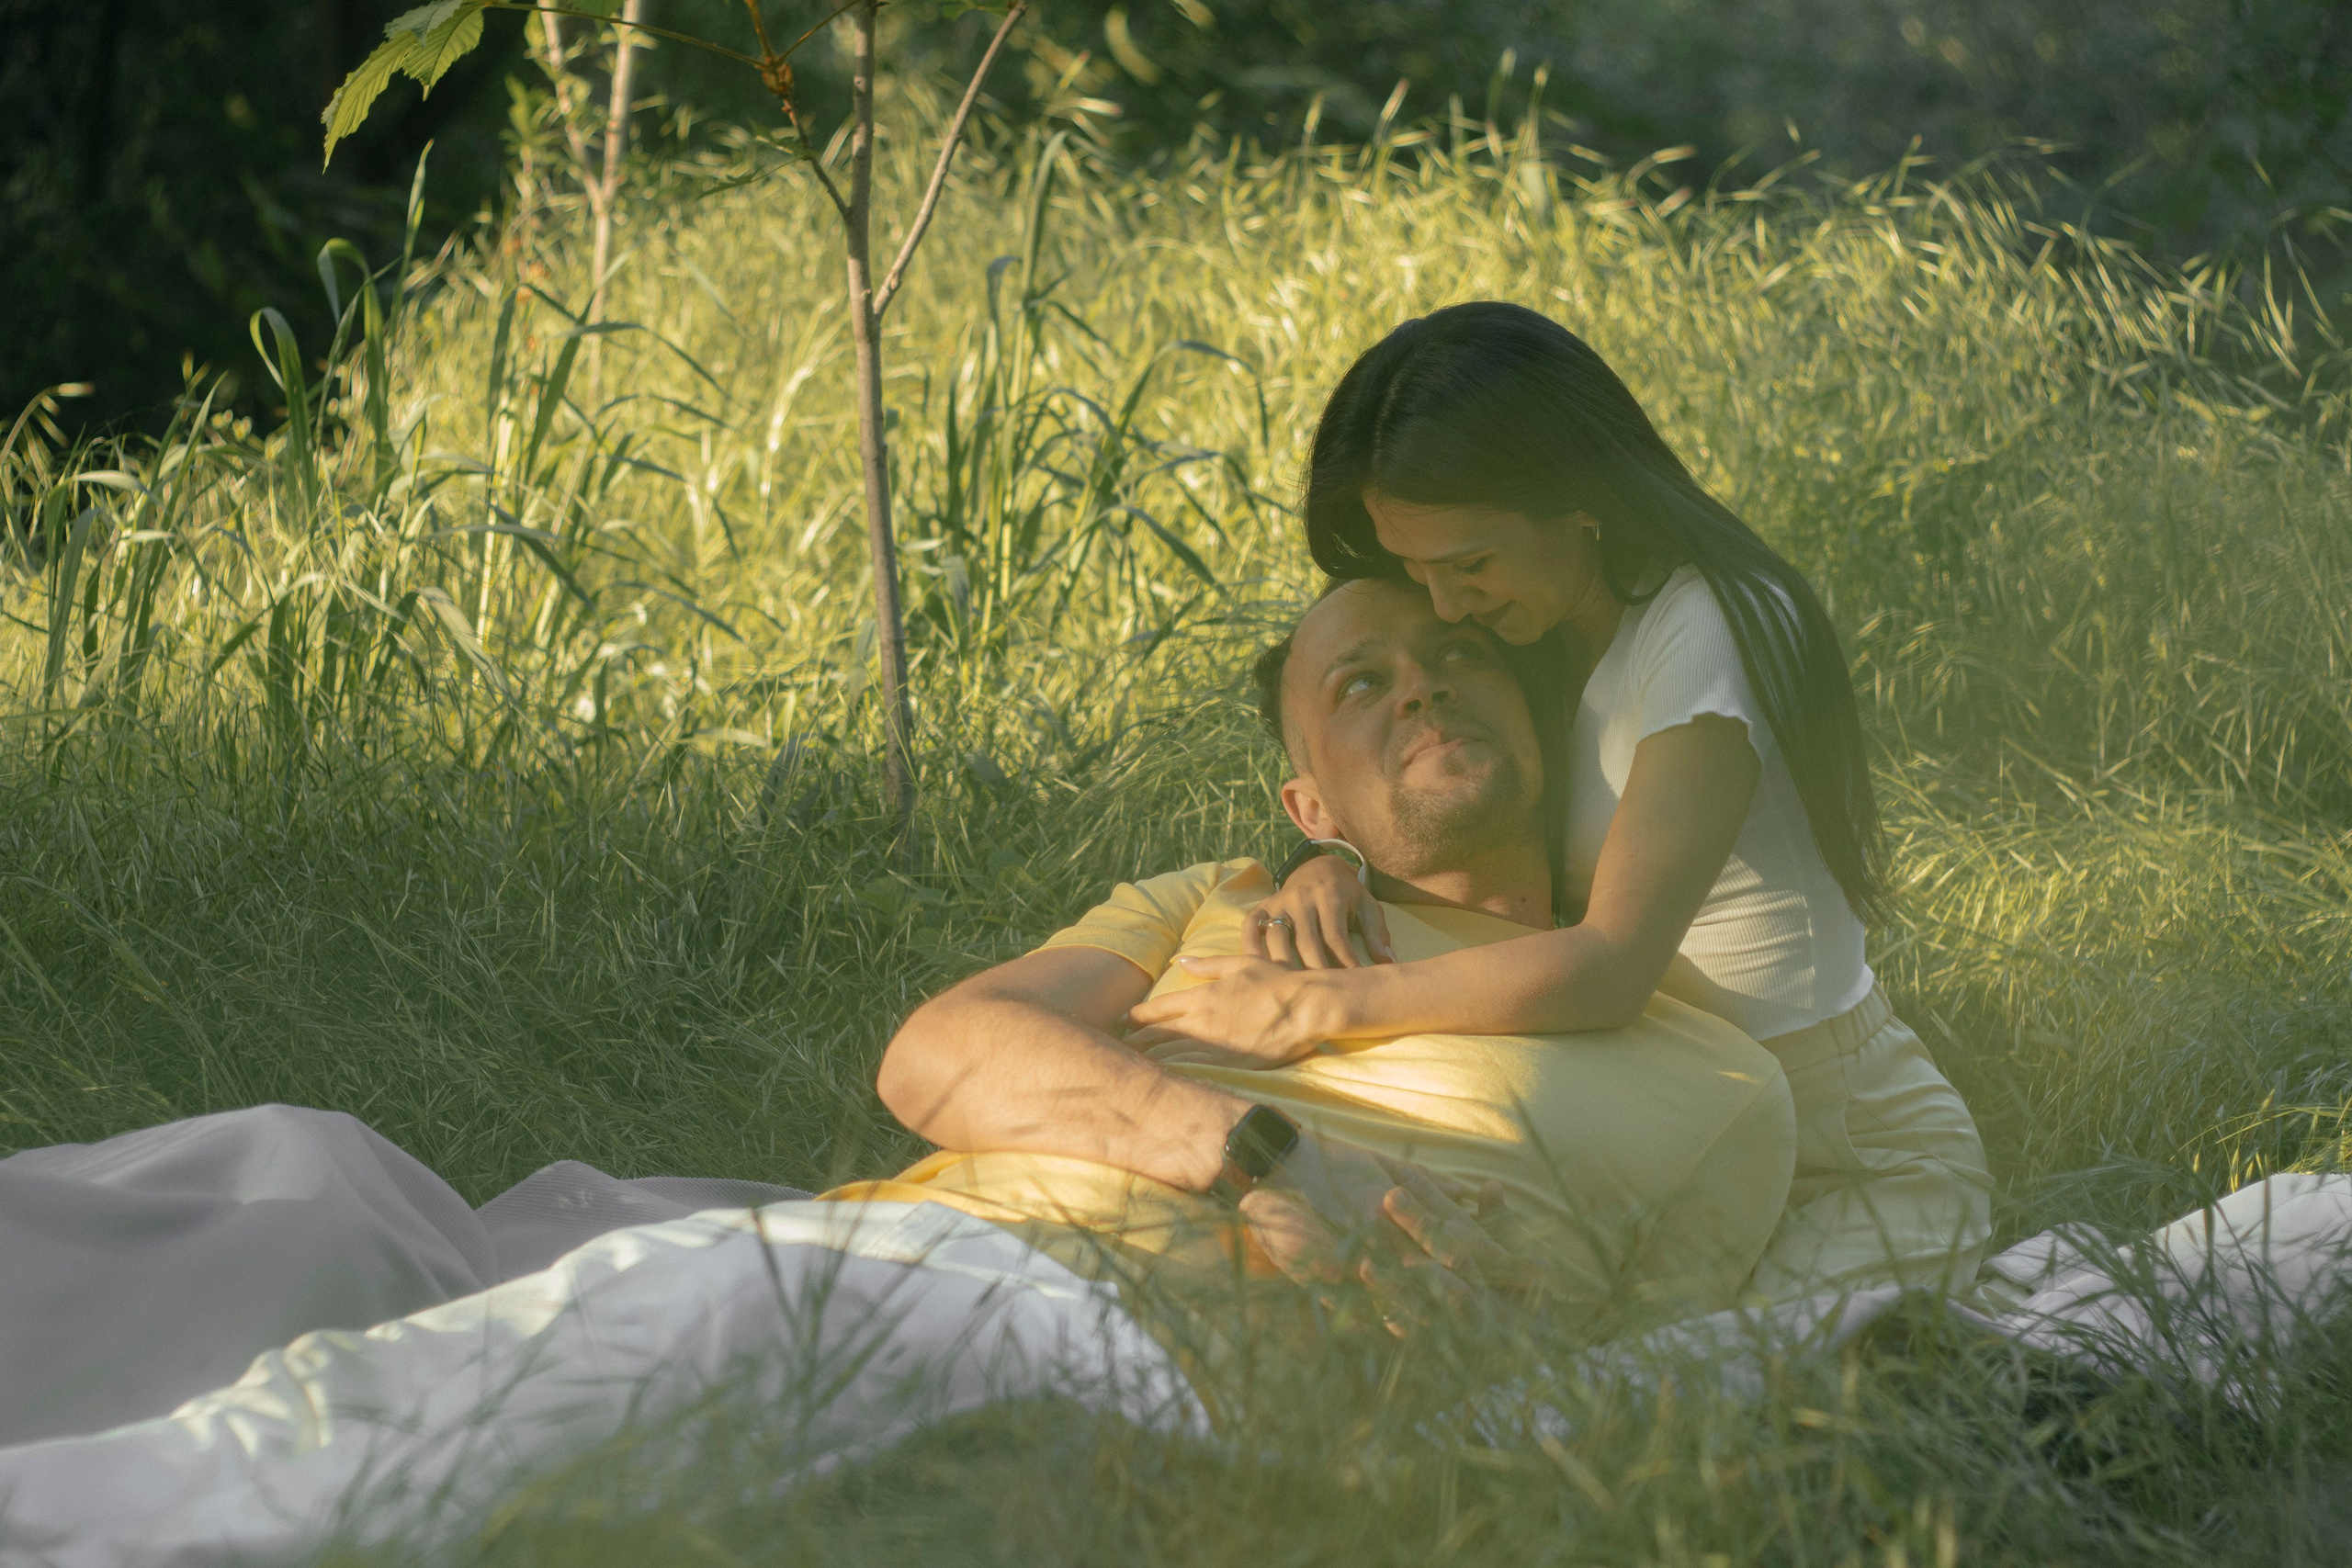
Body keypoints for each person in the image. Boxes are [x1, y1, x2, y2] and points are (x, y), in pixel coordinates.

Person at [0, 580, 1795, 1564]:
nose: (1422, 688)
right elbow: (940, 1050)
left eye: (1456, 654)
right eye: (1363, 680)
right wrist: (1250, 1157)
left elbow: (1667, 1385)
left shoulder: (1720, 1080)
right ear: (1306, 800)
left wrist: (1464, 1344)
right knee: (313, 1451)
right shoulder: (1223, 900)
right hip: (918, 1269)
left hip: (1170, 1410)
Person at [1131, 301, 1992, 1301]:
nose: (1446, 608)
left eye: (1468, 566)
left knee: (1706, 1416)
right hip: (1654, 1132)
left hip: (1845, 1154)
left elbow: (1611, 964)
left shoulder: (1713, 628)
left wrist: (1317, 1005)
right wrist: (1330, 862)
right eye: (1414, 570)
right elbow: (1440, 803)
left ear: (1576, 498)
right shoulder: (1546, 626)